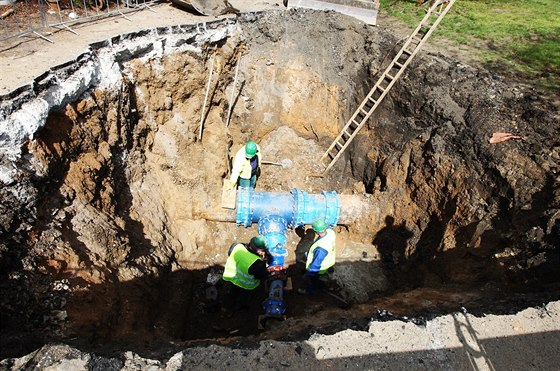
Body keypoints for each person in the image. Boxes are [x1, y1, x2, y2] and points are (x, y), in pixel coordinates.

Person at [222, 235, 269, 314]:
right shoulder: (257, 263)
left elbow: (230, 253)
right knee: (243, 297)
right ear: (259, 251)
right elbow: (261, 276)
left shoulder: (237, 246)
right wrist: (264, 262)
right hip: (245, 285)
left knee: (232, 293)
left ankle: (226, 307)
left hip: (231, 277)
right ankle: (239, 307)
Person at [299, 219, 336, 295]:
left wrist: (309, 273)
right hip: (329, 260)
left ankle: (311, 291)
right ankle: (326, 280)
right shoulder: (330, 232)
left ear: (316, 232)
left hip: (321, 267)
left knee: (312, 281)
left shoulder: (321, 248)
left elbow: (316, 265)